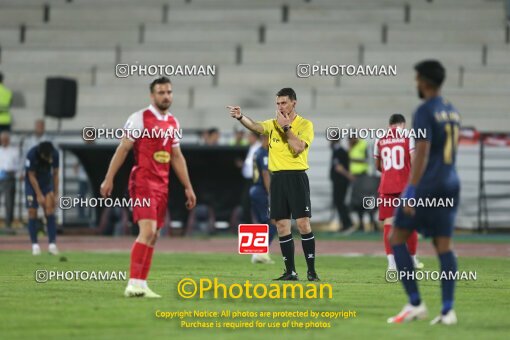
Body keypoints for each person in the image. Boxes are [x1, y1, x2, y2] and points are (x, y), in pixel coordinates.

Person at [100, 77, 196, 298]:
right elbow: (123, 149)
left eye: (169, 92)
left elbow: (177, 156)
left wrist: (188, 187)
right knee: (148, 231)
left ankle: (141, 284)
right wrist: (109, 178)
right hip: (142, 182)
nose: (166, 96)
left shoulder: (173, 122)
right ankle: (132, 284)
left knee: (154, 236)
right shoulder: (139, 118)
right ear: (152, 96)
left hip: (163, 185)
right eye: (161, 92)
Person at [388, 60, 461, 325]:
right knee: (444, 246)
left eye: (418, 78)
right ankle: (448, 310)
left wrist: (410, 189)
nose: (416, 83)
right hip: (451, 183)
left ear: (426, 81)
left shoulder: (424, 111)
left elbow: (422, 152)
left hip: (427, 186)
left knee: (397, 238)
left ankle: (415, 303)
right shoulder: (452, 111)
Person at [227, 87, 319, 281]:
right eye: (277, 103)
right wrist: (240, 117)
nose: (280, 106)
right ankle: (290, 272)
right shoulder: (272, 124)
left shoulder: (305, 125)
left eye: (284, 102)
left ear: (294, 102)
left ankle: (311, 271)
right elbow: (256, 127)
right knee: (282, 226)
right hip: (277, 178)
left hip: (296, 176)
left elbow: (297, 148)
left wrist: (286, 127)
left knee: (303, 224)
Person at [374, 114, 423, 270]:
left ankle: (391, 263)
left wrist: (389, 174)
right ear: (403, 124)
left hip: (386, 187)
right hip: (405, 186)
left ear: (390, 125)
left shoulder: (379, 137)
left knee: (389, 223)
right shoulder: (408, 135)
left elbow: (378, 165)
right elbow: (414, 160)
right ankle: (413, 259)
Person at [25, 142, 59, 255]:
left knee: (49, 210)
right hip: (32, 185)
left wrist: (56, 193)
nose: (49, 158)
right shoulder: (31, 154)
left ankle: (52, 244)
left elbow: (55, 173)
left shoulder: (54, 154)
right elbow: (31, 175)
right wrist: (39, 194)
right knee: (32, 212)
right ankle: (35, 245)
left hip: (46, 184)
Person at [250, 134, 277, 264]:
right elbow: (265, 174)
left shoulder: (257, 152)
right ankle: (260, 253)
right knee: (272, 221)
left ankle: (259, 253)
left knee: (262, 224)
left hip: (255, 189)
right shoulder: (264, 153)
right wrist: (270, 193)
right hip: (261, 190)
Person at [348, 134, 376, 232]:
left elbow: (368, 159)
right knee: (357, 202)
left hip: (363, 177)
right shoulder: (351, 146)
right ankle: (361, 224)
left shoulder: (363, 145)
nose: (350, 141)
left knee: (366, 201)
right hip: (355, 178)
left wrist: (354, 159)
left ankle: (373, 224)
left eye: (351, 138)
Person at [330, 139, 354, 231]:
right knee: (339, 202)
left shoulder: (339, 151)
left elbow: (339, 167)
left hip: (341, 182)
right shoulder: (338, 151)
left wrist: (348, 175)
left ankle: (347, 223)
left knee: (340, 202)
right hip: (338, 182)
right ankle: (345, 223)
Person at [0, 131, 20, 228]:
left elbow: (18, 164)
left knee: (9, 201)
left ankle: (8, 223)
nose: (3, 141)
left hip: (9, 176)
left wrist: (18, 174)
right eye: (2, 139)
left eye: (5, 139)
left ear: (8, 140)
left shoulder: (14, 151)